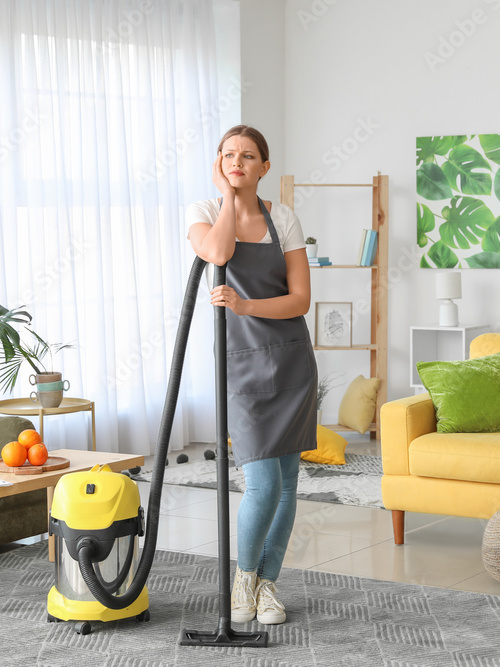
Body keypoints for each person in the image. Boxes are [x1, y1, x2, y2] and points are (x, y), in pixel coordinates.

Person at [186, 125, 318, 625]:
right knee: (261, 481)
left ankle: (267, 586)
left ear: (264, 166)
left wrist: (245, 304)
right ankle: (243, 581)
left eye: (248, 156)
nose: (237, 161)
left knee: (287, 484)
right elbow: (217, 253)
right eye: (228, 155)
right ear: (218, 163)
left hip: (290, 361)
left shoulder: (282, 217)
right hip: (240, 364)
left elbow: (300, 299)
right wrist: (227, 197)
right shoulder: (202, 211)